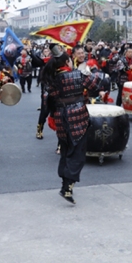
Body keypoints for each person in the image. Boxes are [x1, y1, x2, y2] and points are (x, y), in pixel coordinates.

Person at [41, 44, 105, 204]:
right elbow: (97, 86)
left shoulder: (51, 80)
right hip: (77, 117)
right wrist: (94, 72)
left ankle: (65, 183)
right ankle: (67, 186)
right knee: (77, 153)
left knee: (66, 149)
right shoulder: (77, 75)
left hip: (60, 118)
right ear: (67, 62)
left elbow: (46, 102)